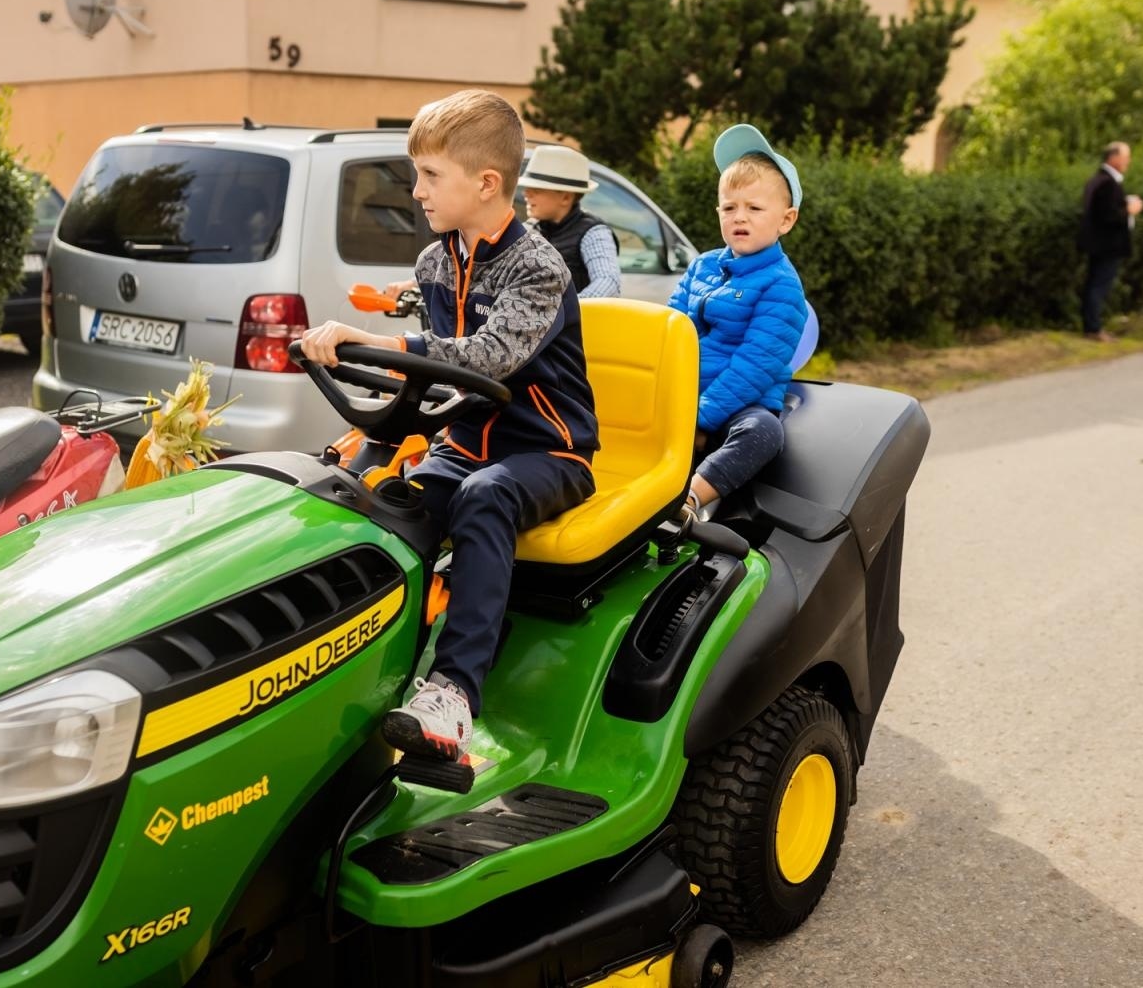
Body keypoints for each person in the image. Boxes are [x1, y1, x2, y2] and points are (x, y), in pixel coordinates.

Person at [299, 90, 597, 761]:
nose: (416, 191)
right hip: (464, 443)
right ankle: (365, 672)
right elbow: (438, 374)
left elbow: (489, 358)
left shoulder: (538, 267)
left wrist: (381, 343)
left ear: (487, 183)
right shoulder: (435, 263)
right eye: (419, 174)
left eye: (431, 175)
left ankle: (454, 695)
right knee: (385, 502)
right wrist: (369, 366)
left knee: (483, 496)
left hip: (548, 452)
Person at [669, 124, 808, 517]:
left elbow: (755, 366)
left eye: (754, 208)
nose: (739, 217)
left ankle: (690, 499)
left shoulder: (781, 285)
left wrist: (701, 418)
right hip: (684, 394)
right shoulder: (702, 266)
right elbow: (669, 330)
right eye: (729, 208)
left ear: (786, 220)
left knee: (763, 432)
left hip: (738, 405)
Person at [517, 144, 621, 297]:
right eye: (527, 188)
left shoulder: (593, 232)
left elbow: (608, 283)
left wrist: (570, 309)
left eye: (537, 190)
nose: (526, 194)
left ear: (566, 198)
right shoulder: (527, 230)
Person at [1077, 141, 1143, 342]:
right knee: (1098, 285)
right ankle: (1093, 328)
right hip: (1107, 244)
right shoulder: (1107, 183)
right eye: (1125, 157)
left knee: (1095, 284)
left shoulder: (1098, 180)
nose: (1128, 161)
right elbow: (1108, 216)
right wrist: (1129, 209)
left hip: (1098, 243)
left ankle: (1092, 325)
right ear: (1113, 158)